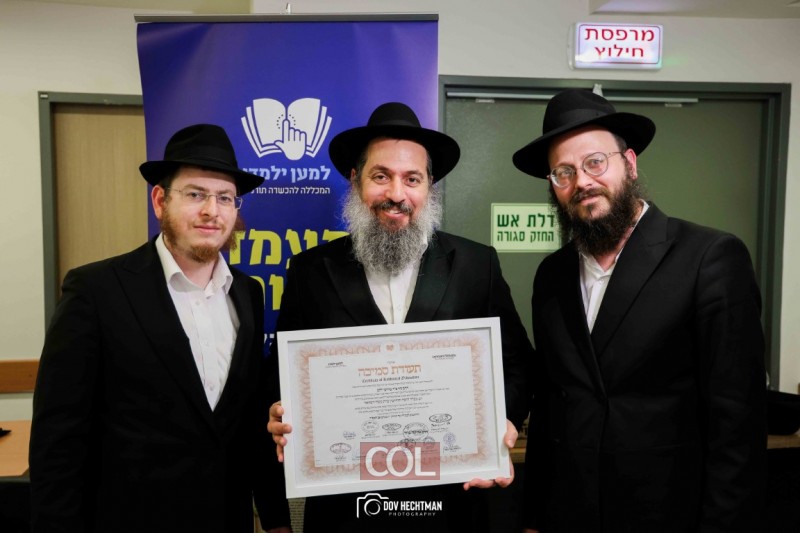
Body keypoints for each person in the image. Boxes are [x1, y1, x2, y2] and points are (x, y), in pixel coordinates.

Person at [264, 102, 533, 532]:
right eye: (380, 176)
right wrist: (280, 411)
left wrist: (503, 421)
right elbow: (280, 378)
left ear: (429, 187)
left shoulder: (476, 265)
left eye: (412, 178)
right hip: (347, 511)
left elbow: (518, 364)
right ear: (356, 181)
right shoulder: (310, 272)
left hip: (450, 505)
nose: (396, 193)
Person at [512, 88, 767, 532]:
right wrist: (535, 515)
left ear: (629, 163)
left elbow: (737, 425)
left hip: (667, 516)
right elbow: (552, 405)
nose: (582, 182)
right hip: (570, 515)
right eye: (563, 172)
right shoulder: (551, 275)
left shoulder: (708, 257)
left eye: (595, 162)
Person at [29, 124, 291, 533]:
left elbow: (248, 423)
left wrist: (276, 520)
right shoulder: (96, 291)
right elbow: (58, 438)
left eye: (225, 197)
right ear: (159, 200)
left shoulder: (247, 293)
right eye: (195, 194)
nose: (212, 210)